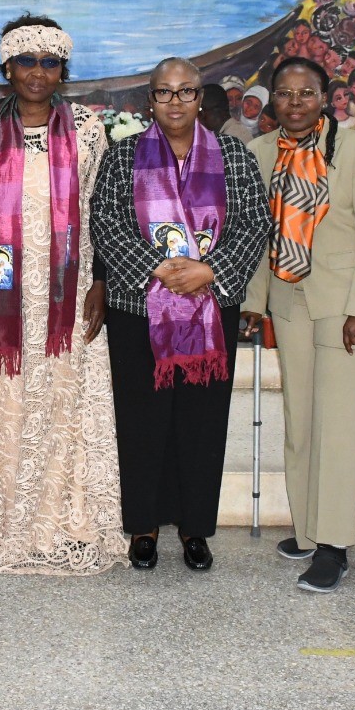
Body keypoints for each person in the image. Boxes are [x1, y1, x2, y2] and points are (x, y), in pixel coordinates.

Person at [0, 15, 124, 576]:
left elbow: (105, 210)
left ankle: (57, 523)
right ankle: (1, 519)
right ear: (7, 67)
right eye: (27, 61)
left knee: (63, 401)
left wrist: (102, 280)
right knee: (2, 398)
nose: (38, 73)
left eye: (50, 63)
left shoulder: (90, 130)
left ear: (63, 71)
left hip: (67, 292)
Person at [91, 56, 271, 572]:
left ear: (200, 98)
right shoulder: (124, 156)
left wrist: (208, 271)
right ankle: (143, 527)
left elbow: (255, 223)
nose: (175, 101)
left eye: (186, 91)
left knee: (201, 423)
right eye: (164, 92)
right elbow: (105, 221)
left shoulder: (232, 154)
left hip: (211, 307)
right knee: (143, 422)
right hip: (138, 310)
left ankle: (195, 528)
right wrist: (161, 270)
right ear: (150, 100)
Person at [242, 56, 355, 593]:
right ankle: (307, 528)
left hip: (343, 305)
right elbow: (258, 236)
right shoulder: (260, 154)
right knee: (300, 420)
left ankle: (333, 544)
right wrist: (253, 304)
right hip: (288, 299)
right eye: (285, 93)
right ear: (272, 100)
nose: (296, 102)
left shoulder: (351, 149)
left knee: (333, 425)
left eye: (307, 93)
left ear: (325, 98)